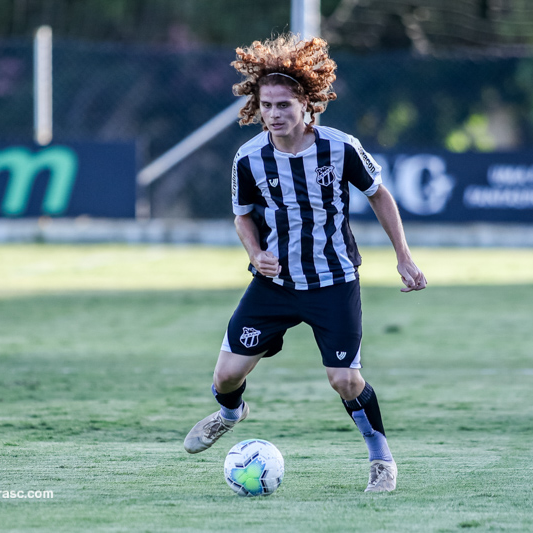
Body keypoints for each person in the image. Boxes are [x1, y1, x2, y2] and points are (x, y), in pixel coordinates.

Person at [183, 34, 427, 493]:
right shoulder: (249, 158)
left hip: (334, 282)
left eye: (283, 105)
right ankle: (231, 415)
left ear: (307, 104)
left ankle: (381, 459)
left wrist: (404, 257)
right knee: (227, 375)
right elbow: (241, 219)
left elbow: (380, 196)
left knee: (345, 380)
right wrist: (256, 254)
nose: (274, 114)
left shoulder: (340, 148)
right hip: (274, 285)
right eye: (266, 105)